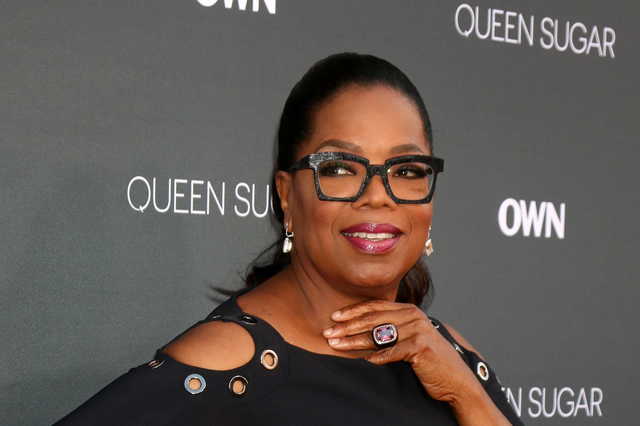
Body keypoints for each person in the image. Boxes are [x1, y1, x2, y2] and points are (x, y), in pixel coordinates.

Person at [54, 52, 524, 426]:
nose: (379, 196)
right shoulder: (227, 368)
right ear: (286, 195)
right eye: (339, 168)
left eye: (406, 170)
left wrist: (465, 394)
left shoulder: (448, 354)